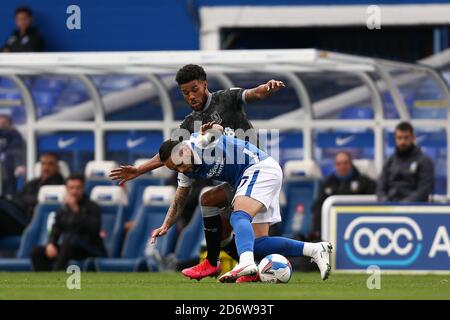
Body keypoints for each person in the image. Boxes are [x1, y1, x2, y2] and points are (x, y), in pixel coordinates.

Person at [110, 64, 286, 279]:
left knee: (214, 205)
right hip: (236, 180)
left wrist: (266, 89)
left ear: (205, 85)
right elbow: (168, 154)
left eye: (194, 89)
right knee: (224, 231)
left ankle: (231, 265)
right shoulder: (189, 123)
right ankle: (247, 267)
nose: (191, 96)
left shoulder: (226, 98)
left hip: (255, 171)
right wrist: (139, 169)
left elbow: (253, 94)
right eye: (185, 93)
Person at [150, 122, 332, 283]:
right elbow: (179, 199)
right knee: (255, 240)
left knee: (239, 215)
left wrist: (211, 130)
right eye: (176, 169)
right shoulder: (185, 170)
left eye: (180, 164)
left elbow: (217, 130)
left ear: (184, 150)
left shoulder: (199, 143)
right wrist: (166, 225)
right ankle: (315, 249)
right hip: (244, 178)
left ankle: (245, 263)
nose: (182, 170)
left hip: (258, 168)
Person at [30, 174, 106, 271]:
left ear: (83, 188)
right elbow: (55, 229)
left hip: (90, 248)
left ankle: (57, 276)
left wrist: (76, 210)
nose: (74, 191)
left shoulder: (93, 207)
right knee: (36, 252)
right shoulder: (63, 209)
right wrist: (51, 244)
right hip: (69, 248)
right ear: (67, 189)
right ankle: (44, 282)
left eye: (78, 188)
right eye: (71, 188)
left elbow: (94, 229)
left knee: (70, 238)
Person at [310, 151, 376, 240]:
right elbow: (318, 207)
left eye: (345, 163)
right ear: (335, 165)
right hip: (332, 228)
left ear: (350, 164)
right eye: (339, 164)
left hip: (358, 228)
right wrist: (316, 229)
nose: (342, 167)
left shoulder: (364, 182)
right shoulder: (327, 183)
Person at [0, 153, 64, 237]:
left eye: (50, 164)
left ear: (57, 167)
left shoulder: (59, 185)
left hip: (29, 221)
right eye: (43, 164)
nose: (46, 167)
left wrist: (24, 200)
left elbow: (36, 200)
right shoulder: (33, 183)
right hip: (18, 215)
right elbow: (19, 197)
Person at [377, 121, 434, 202]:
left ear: (412, 137)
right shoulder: (390, 161)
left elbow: (424, 190)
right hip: (390, 208)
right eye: (399, 138)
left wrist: (404, 206)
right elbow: (380, 188)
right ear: (395, 138)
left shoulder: (424, 161)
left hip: (415, 209)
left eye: (406, 137)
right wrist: (385, 202)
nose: (403, 141)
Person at [0, 114, 26, 196]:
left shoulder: (14, 135)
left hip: (9, 171)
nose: (1, 126)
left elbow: (16, 150)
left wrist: (18, 165)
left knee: (9, 193)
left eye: (4, 123)